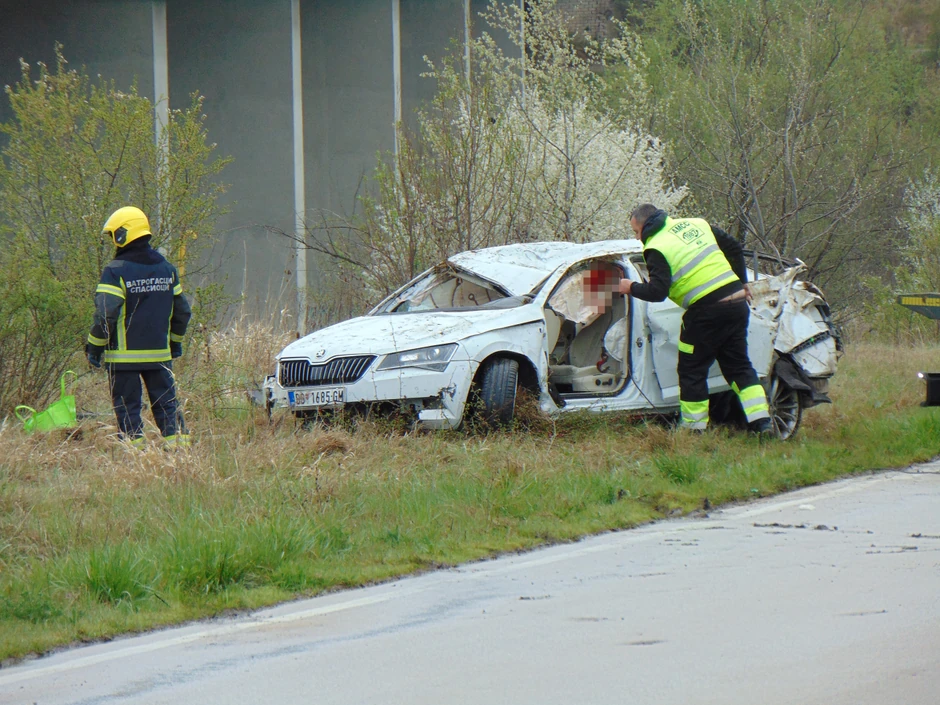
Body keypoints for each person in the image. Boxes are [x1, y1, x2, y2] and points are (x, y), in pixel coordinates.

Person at [618, 204, 773, 435]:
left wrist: (631, 287)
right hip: (737, 305)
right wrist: (741, 281)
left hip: (706, 313)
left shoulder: (656, 246)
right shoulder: (696, 224)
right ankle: (763, 424)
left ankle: (694, 429)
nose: (637, 237)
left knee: (692, 370)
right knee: (739, 366)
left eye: (635, 231)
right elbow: (733, 246)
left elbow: (658, 293)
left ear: (645, 225)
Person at [85, 206, 192, 446]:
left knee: (128, 411)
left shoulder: (115, 271)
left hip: (124, 361)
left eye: (113, 236)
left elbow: (105, 316)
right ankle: (180, 455)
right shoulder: (167, 269)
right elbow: (182, 313)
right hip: (160, 357)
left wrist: (94, 348)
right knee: (168, 406)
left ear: (123, 234)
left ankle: (136, 459)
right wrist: (174, 344)